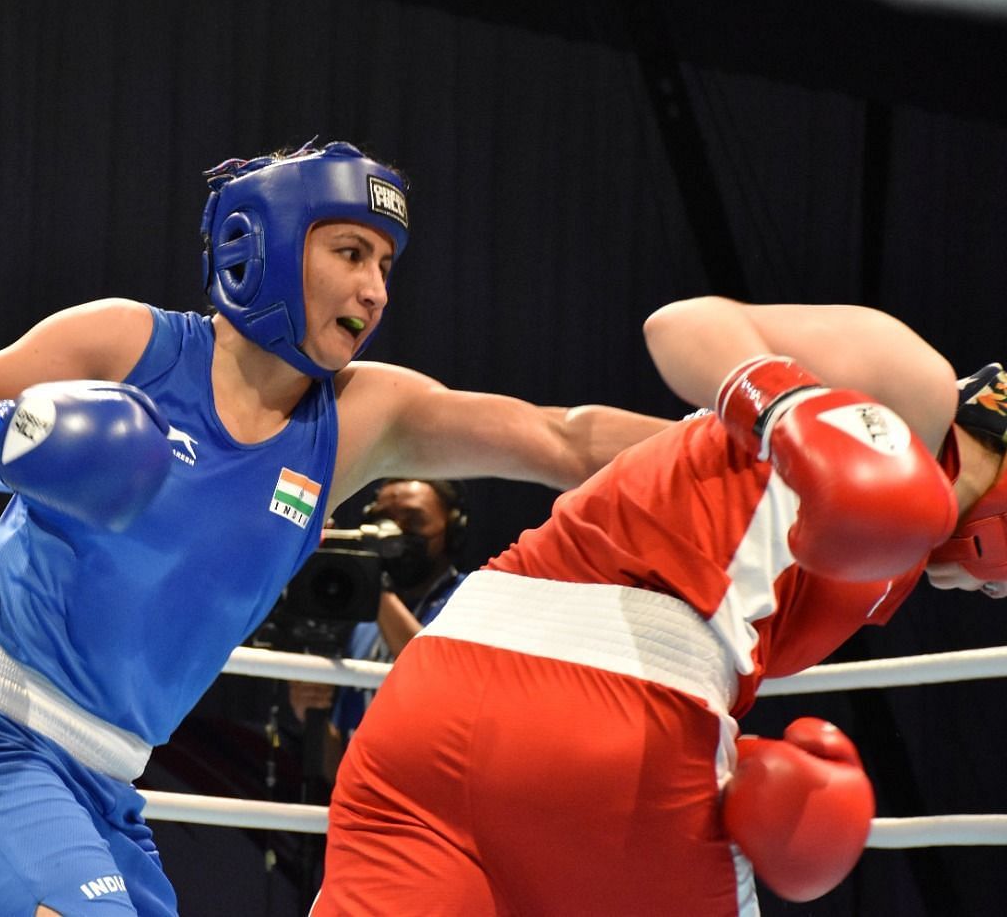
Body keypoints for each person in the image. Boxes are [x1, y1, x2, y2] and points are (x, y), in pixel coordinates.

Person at [0, 139, 670, 917]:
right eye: (351, 253)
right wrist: (3, 440)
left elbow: (561, 438)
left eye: (386, 265)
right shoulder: (130, 343)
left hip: (102, 791)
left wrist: (744, 428)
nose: (376, 290)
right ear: (268, 244)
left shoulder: (358, 418)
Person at [314, 295, 1007, 917]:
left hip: (434, 701)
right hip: (619, 721)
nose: (996, 591)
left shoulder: (831, 512)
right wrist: (795, 414)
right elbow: (683, 322)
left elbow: (587, 454)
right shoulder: (916, 397)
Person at [287, 478, 471, 766]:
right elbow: (339, 768)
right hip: (364, 802)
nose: (394, 532)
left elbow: (431, 674)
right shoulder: (364, 618)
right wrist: (312, 715)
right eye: (382, 519)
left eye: (413, 520)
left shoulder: (469, 599)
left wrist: (373, 583)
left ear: (452, 531)